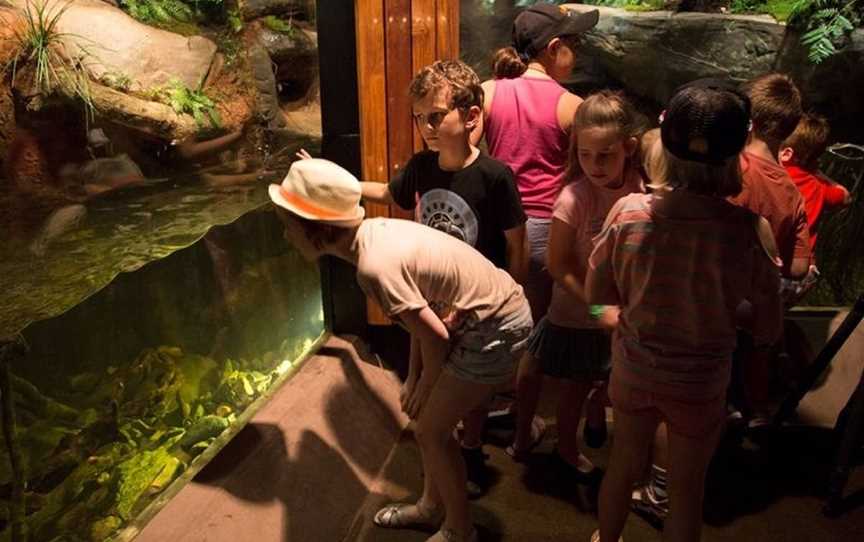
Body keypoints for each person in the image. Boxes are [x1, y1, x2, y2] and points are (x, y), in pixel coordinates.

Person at [269, 158, 533, 542]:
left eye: (289, 224)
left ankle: (460, 530)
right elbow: (422, 324)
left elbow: (436, 336)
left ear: (317, 228)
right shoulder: (375, 233)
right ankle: (431, 505)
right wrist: (414, 377)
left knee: (430, 431)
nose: (286, 235)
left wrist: (424, 383)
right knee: (425, 419)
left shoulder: (374, 267)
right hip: (474, 319)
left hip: (496, 328)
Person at [307, 59, 528, 496]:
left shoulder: (494, 176)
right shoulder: (422, 166)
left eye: (435, 115)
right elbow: (390, 194)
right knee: (430, 362)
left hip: (475, 300)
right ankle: (444, 448)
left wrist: (508, 290)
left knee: (469, 393)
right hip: (434, 295)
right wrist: (327, 183)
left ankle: (469, 446)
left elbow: (517, 246)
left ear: (470, 116)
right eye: (419, 117)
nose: (426, 126)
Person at [586, 80, 783, 542]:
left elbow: (598, 296)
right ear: (740, 152)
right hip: (700, 382)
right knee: (686, 487)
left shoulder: (628, 213)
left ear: (664, 148)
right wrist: (743, 324)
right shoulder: (748, 230)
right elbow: (768, 318)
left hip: (635, 370)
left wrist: (611, 317)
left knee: (622, 467)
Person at [508, 92, 645, 476]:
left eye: (605, 155)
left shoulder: (639, 186)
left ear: (628, 147)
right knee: (532, 370)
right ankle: (522, 435)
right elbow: (557, 263)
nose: (594, 165)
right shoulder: (573, 197)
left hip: (613, 312)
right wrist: (596, 302)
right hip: (572, 309)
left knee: (579, 385)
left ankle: (567, 445)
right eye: (586, 155)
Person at [474, 2, 600, 321]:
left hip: (498, 221)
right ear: (554, 48)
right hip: (546, 226)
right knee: (536, 316)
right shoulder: (572, 105)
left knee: (500, 311)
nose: (578, 53)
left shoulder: (487, 92)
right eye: (575, 44)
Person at [729, 72, 810, 280]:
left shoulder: (733, 170)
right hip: (758, 300)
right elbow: (799, 268)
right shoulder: (793, 194)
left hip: (718, 294)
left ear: (747, 121)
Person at [779, 113, 852, 254]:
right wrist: (818, 173)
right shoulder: (819, 185)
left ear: (787, 153)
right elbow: (846, 197)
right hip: (802, 267)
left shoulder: (773, 175)